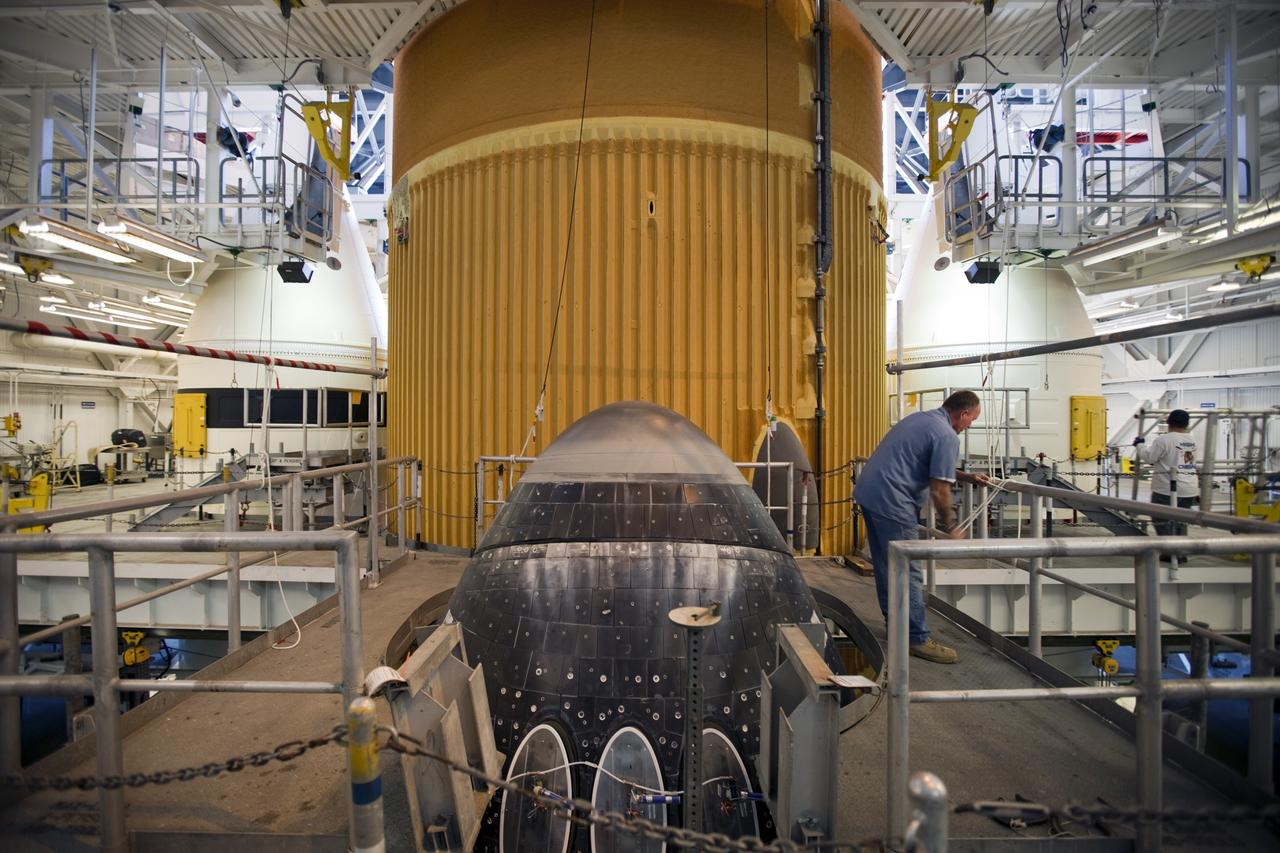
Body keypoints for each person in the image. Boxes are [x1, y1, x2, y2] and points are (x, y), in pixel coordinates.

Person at [855, 390, 989, 664]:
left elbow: (929, 466)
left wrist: (967, 476)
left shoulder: (921, 419)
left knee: (887, 567)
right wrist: (952, 525)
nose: (970, 425)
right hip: (894, 503)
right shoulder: (947, 435)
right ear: (962, 414)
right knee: (908, 572)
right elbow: (940, 489)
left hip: (871, 495)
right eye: (972, 419)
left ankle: (898, 629)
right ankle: (915, 638)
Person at [1133, 409, 1198, 550]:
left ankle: (1170, 552)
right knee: (1181, 521)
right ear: (1187, 424)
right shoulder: (1192, 440)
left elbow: (1150, 457)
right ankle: (1181, 552)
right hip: (1189, 488)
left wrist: (1139, 445)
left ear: (1168, 422)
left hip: (1166, 489)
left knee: (1161, 520)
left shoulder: (1163, 440)